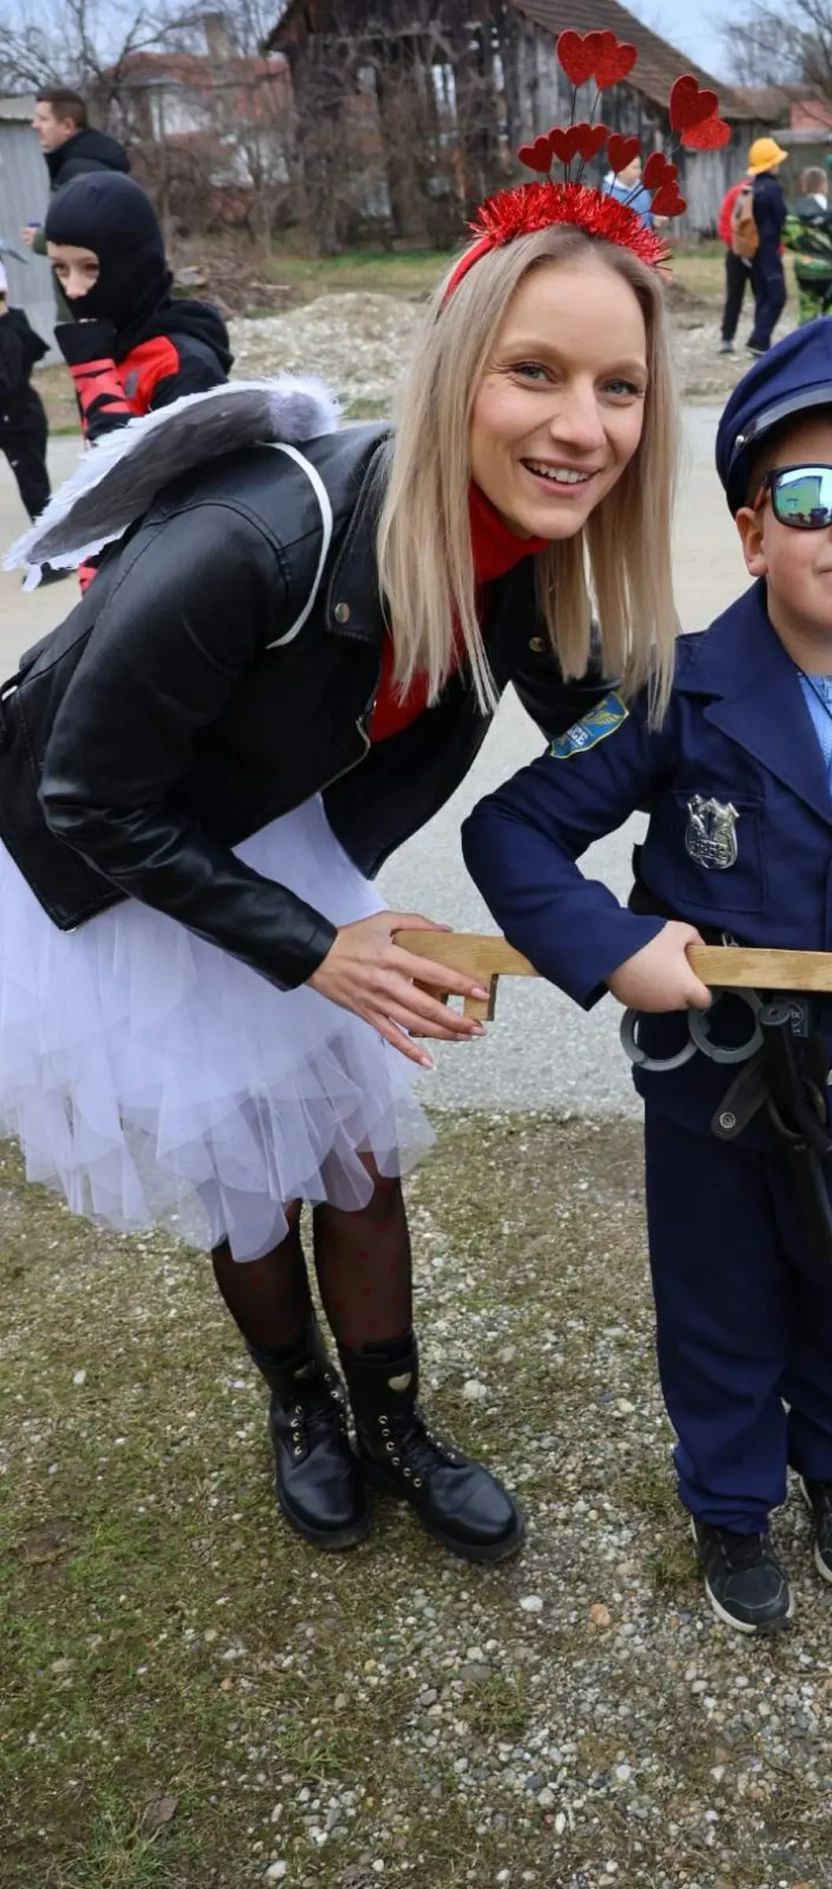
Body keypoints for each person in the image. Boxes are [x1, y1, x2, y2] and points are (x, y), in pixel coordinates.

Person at [0, 151, 682, 1561]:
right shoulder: (251, 540)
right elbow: (89, 798)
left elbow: (613, 721)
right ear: (455, 372)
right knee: (248, 1171)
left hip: (269, 828)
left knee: (360, 1158)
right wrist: (316, 947)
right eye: (537, 372)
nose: (583, 426)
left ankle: (393, 1422)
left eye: (619, 387)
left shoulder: (526, 544)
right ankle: (301, 1406)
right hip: (114, 861)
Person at [463, 308, 832, 1634]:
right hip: (714, 1097)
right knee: (720, 1309)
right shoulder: (673, 692)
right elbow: (513, 831)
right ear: (751, 532)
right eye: (812, 495)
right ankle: (731, 1501)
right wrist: (611, 945)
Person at [46, 172, 232, 447]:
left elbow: (131, 467)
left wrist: (95, 378)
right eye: (60, 268)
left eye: (90, 267)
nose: (72, 289)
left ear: (133, 266)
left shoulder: (182, 365)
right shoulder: (111, 345)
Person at [23, 87, 129, 322]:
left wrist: (42, 239)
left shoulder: (80, 171)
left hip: (94, 304)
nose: (34, 125)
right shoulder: (88, 163)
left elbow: (96, 235)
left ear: (67, 126)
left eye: (43, 119)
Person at [0, 263, 55, 539]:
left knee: (35, 492)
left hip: (17, 422)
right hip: (19, 416)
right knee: (35, 489)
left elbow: (5, 384)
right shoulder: (13, 324)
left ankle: (54, 550)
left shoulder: (8, 334)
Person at [784, 167, 832, 324]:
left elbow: (789, 239)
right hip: (830, 267)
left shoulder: (796, 210)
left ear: (804, 186)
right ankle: (830, 336)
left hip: (806, 267)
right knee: (831, 306)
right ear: (824, 186)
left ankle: (807, 335)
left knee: (808, 307)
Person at [746, 136, 789, 357]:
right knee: (777, 296)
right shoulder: (772, 189)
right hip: (769, 249)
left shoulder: (751, 188)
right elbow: (782, 216)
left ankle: (760, 343)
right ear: (771, 163)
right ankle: (759, 340)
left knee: (763, 296)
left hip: (754, 250)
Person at [717, 166, 754, 355]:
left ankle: (759, 338)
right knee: (734, 296)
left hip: (758, 254)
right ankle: (727, 337)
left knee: (762, 297)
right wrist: (735, 246)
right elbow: (725, 221)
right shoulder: (737, 193)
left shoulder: (766, 193)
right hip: (737, 254)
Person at [602, 154, 655, 230]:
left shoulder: (643, 190)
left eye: (640, 167)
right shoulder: (608, 194)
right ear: (621, 170)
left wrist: (655, 220)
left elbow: (648, 217)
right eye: (635, 168)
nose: (639, 171)